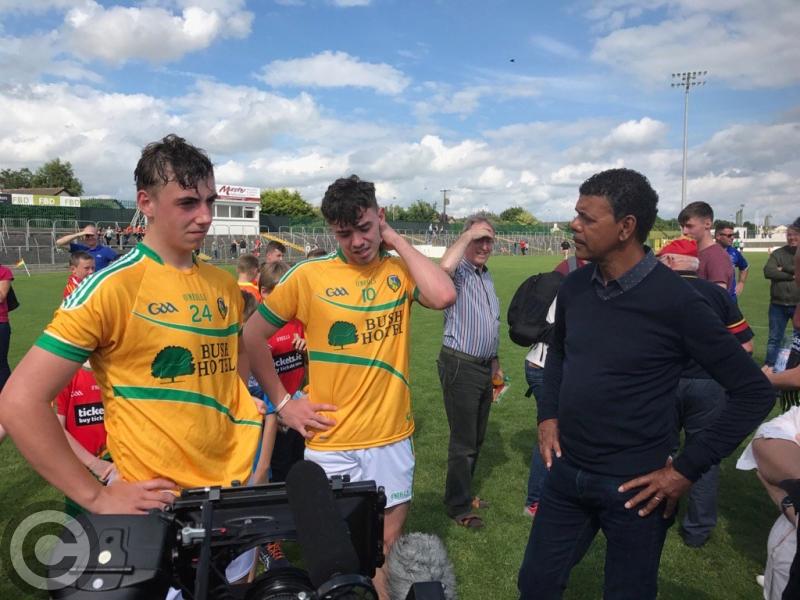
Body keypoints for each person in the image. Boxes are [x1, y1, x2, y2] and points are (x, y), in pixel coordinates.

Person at [517, 168, 774, 600]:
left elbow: (754, 392)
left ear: (626, 227)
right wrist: (548, 416)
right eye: (575, 214)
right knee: (536, 584)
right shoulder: (577, 285)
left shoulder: (677, 301)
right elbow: (559, 352)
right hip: (567, 473)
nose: (574, 225)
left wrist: (685, 470)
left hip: (638, 487)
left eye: (587, 217)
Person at [243, 174, 455, 599]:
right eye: (344, 233)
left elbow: (444, 295)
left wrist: (395, 239)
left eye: (365, 228)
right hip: (330, 440)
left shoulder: (398, 269)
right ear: (331, 231)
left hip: (391, 438)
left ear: (381, 218)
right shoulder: (308, 276)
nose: (357, 241)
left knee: (386, 547)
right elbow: (251, 336)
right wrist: (284, 404)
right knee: (333, 555)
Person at [656, 237, 754, 548]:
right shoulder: (717, 294)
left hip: (663, 384)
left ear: (671, 262)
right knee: (704, 455)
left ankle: (659, 515)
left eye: (660, 259)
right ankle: (697, 530)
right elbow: (747, 346)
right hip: (709, 384)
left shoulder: (654, 294)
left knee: (660, 451)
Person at [438, 215, 502, 529]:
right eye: (478, 239)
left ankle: (463, 493)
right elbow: (443, 269)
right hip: (459, 364)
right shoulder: (459, 272)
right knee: (463, 441)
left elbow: (492, 322)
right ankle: (458, 505)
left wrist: (496, 364)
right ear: (466, 240)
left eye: (488, 239)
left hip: (482, 366)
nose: (484, 246)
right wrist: (467, 235)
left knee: (476, 438)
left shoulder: (485, 275)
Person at [55, 362, 114, 515]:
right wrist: (93, 463)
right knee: (82, 528)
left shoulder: (116, 373)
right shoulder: (64, 376)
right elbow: (55, 428)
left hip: (116, 465)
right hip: (80, 469)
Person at [763, 219, 800, 369]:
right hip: (778, 304)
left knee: (798, 340)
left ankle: (794, 369)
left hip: (797, 304)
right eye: (789, 235)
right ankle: (770, 367)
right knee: (774, 339)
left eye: (795, 234)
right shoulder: (778, 253)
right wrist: (792, 275)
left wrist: (783, 268)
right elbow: (768, 271)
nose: (791, 238)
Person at [678, 201, 733, 290]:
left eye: (689, 226)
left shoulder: (717, 257)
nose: (684, 231)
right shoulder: (692, 253)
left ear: (707, 224)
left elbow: (717, 300)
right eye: (682, 226)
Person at [714, 219, 749, 300]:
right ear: (718, 236)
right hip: (713, 299)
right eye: (729, 235)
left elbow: (745, 267)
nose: (732, 238)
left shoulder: (734, 252)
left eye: (733, 235)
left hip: (731, 299)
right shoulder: (707, 251)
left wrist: (741, 282)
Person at [0, 262, 13, 392]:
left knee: (1, 362)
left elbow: (1, 296)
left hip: (1, 323)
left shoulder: (4, 271)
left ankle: (6, 395)